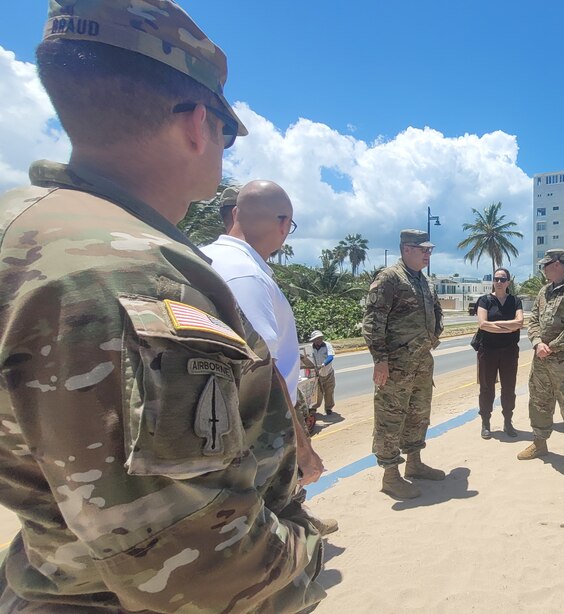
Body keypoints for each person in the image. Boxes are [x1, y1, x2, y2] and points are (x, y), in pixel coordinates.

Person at [0, 2, 325, 611]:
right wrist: (306, 553)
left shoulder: (21, 229)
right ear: (198, 125)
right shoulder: (140, 277)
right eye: (226, 134)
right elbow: (202, 571)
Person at [202, 180, 336, 536]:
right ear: (282, 225)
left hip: (218, 423)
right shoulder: (246, 273)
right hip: (257, 429)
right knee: (273, 541)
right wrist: (303, 449)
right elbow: (262, 368)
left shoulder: (206, 256)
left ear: (234, 214)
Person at [363, 229, 446, 500]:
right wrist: (380, 360)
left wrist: (433, 337)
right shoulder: (390, 278)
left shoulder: (424, 281)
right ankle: (390, 476)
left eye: (429, 250)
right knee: (390, 418)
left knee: (418, 413)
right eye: (423, 249)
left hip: (422, 361)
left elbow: (436, 312)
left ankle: (414, 462)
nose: (428, 254)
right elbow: (374, 320)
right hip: (396, 364)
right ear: (406, 249)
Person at [518, 249, 564, 475]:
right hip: (541, 360)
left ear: (558, 264)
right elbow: (533, 321)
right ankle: (540, 443)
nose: (543, 269)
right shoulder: (543, 292)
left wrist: (551, 347)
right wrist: (538, 343)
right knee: (539, 402)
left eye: (546, 265)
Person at [474, 267, 524, 439]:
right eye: (496, 279)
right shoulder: (484, 300)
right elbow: (482, 324)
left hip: (510, 351)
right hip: (487, 351)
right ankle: (485, 423)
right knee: (487, 388)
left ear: (508, 282)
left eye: (503, 279)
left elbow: (520, 322)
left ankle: (508, 422)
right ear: (493, 281)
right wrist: (508, 327)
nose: (499, 282)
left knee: (509, 388)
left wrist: (496, 327)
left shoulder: (515, 301)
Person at [308, 330, 337, 416]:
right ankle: (314, 408)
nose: (319, 340)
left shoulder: (327, 345)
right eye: (316, 339)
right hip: (317, 374)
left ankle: (328, 408)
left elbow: (330, 357)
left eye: (320, 338)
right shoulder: (310, 348)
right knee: (317, 393)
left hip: (328, 372)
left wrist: (323, 364)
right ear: (313, 340)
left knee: (329, 391)